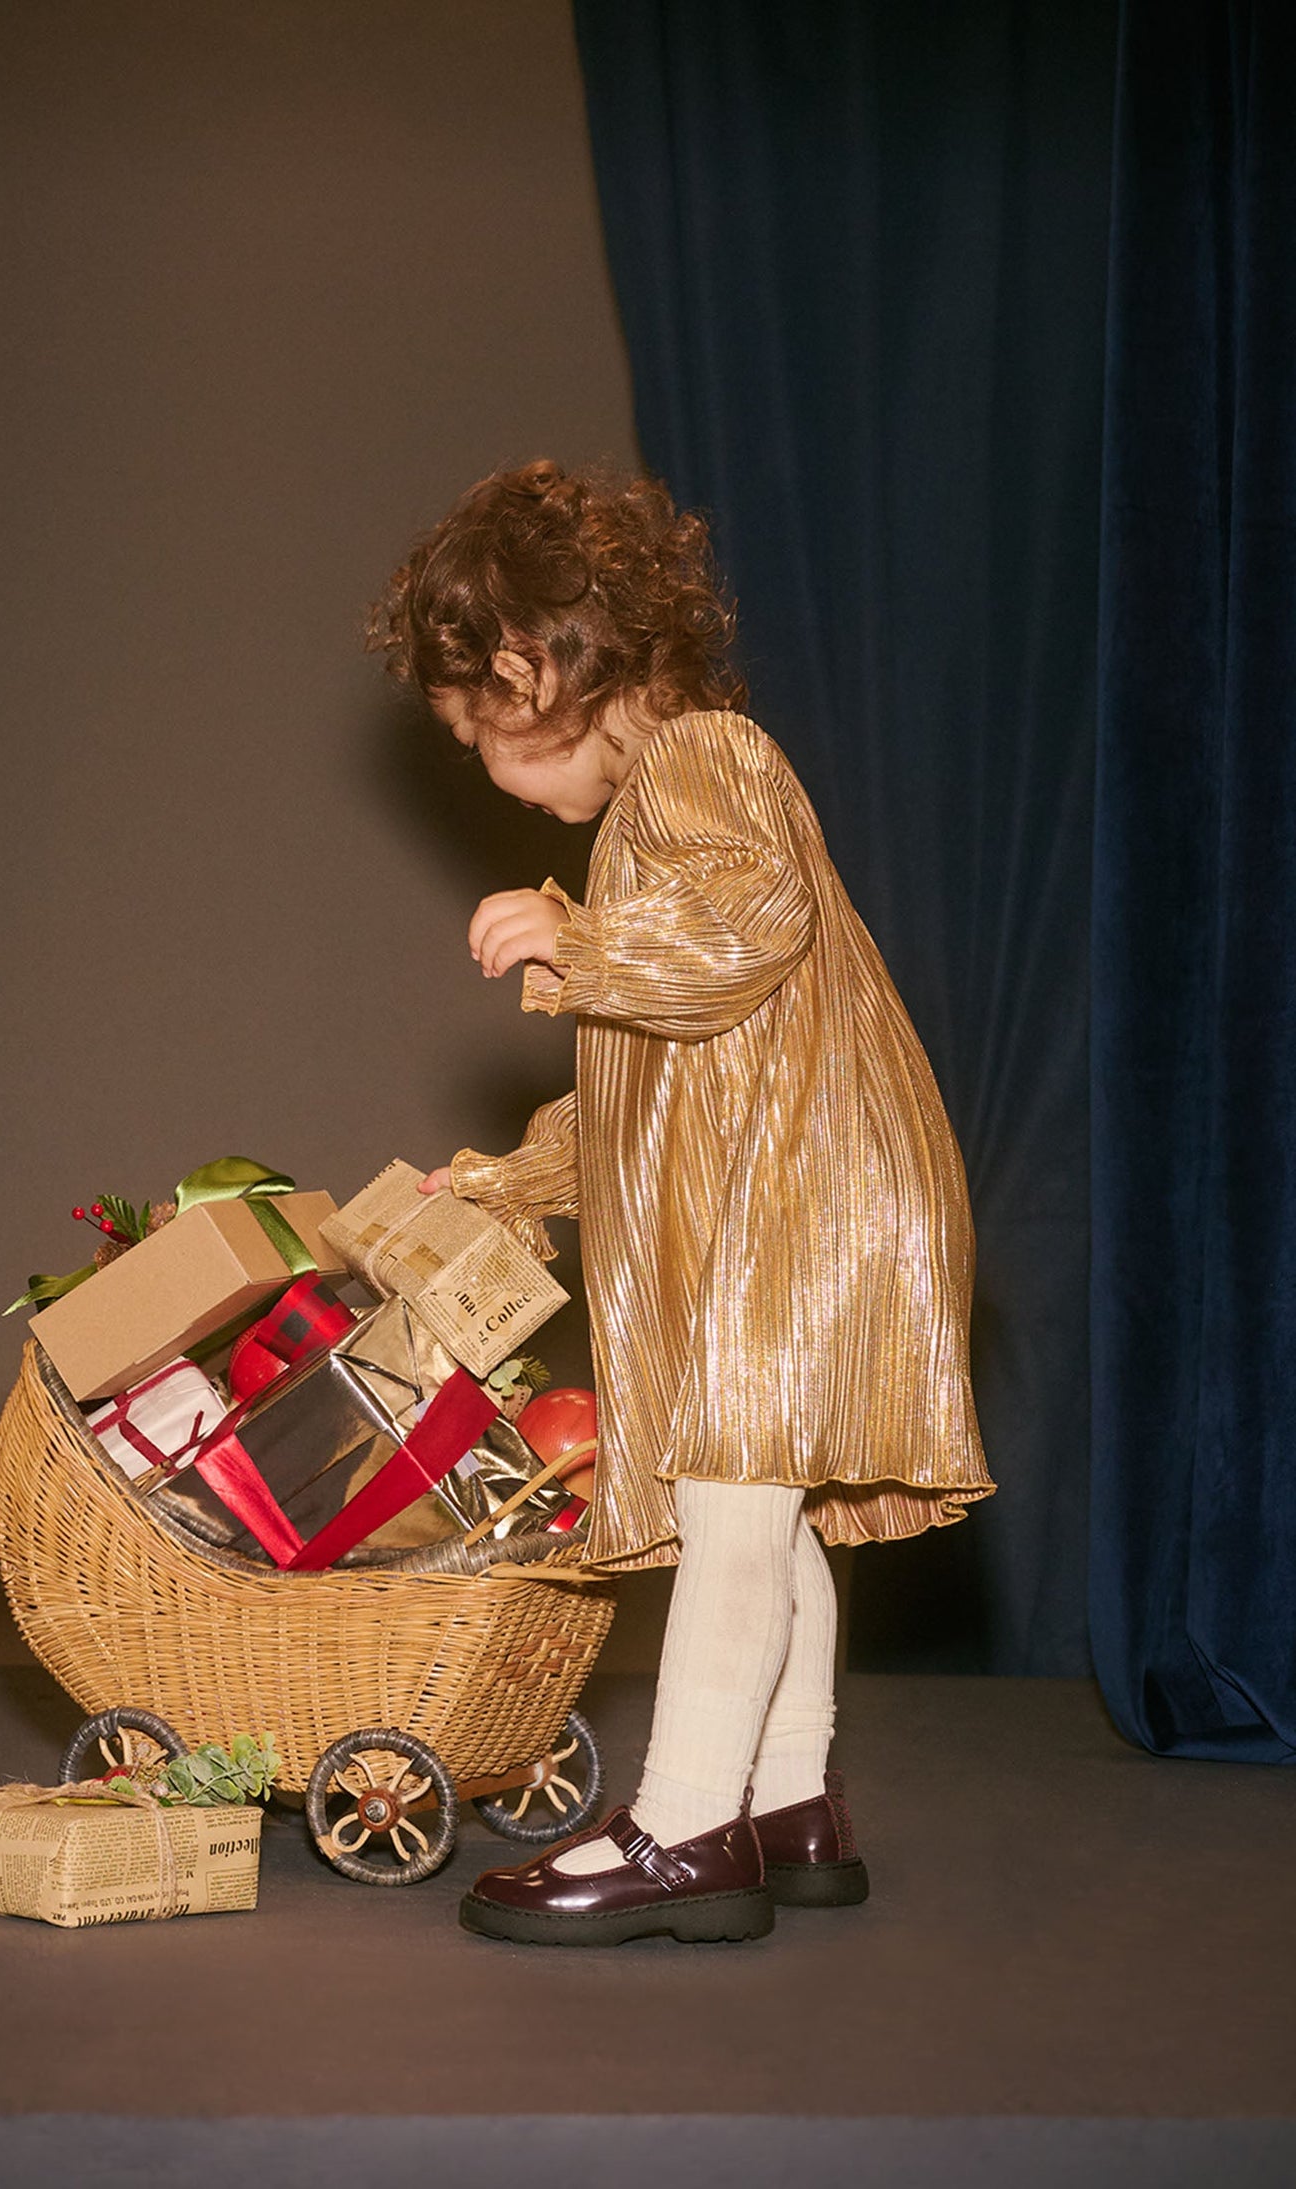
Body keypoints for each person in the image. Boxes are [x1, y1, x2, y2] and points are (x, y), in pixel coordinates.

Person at [371, 461, 992, 1946]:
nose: (488, 773)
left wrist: (574, 943)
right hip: (805, 1195)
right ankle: (787, 1804)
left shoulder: (704, 762)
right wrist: (516, 1177)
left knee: (727, 1501)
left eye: (479, 738)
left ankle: (679, 1827)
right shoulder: (662, 820)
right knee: (762, 1515)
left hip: (806, 1201)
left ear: (528, 667)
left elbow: (735, 933)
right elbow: (656, 1093)